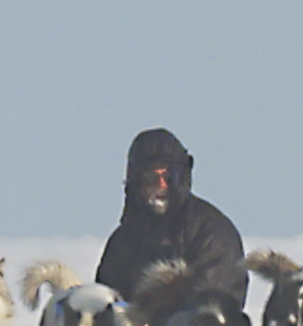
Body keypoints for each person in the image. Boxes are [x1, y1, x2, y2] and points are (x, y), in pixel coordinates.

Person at [95, 127, 247, 303]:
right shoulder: (123, 240)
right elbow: (107, 301)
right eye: (150, 179)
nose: (161, 185)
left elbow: (211, 300)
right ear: (136, 184)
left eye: (169, 177)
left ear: (182, 177)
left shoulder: (211, 231)